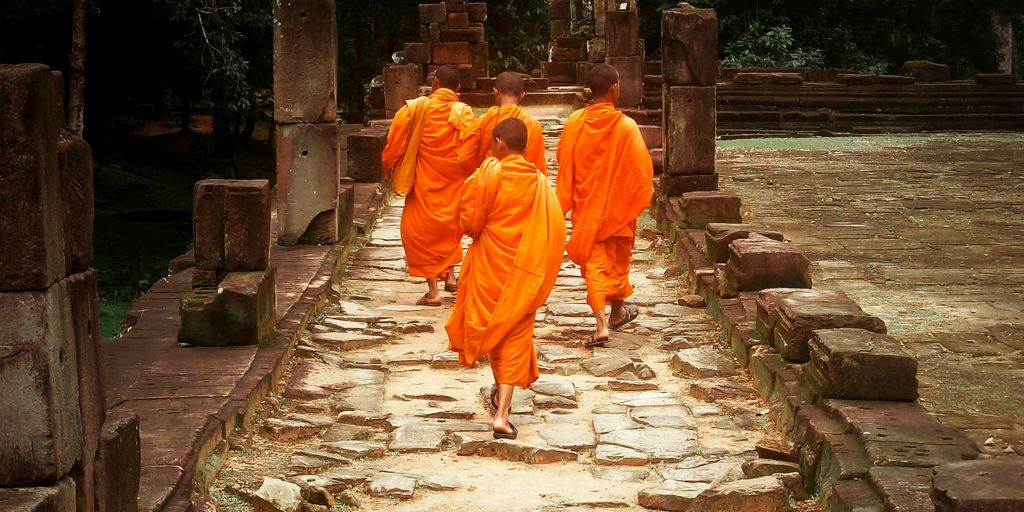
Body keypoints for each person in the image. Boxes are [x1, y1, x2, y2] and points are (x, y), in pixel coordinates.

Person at [446, 118, 566, 439]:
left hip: (489, 267)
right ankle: (502, 413)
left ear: (498, 144)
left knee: (496, 330)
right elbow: (555, 229)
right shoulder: (540, 184)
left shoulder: (485, 176)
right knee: (515, 333)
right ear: (525, 146)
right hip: (525, 272)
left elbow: (468, 222)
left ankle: (501, 402)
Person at [556, 63, 654, 347]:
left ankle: (610, 318)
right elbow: (641, 171)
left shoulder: (575, 122)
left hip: (588, 209)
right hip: (617, 210)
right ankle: (611, 316)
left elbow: (564, 162)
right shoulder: (626, 126)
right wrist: (630, 198)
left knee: (596, 265)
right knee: (618, 261)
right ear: (615, 88)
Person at [382, 65, 476, 306]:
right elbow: (471, 151)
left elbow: (394, 144)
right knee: (450, 229)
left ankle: (433, 292)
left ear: (434, 82)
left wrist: (389, 167)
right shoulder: (464, 113)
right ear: (458, 88)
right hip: (454, 183)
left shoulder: (414, 109)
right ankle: (452, 276)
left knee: (419, 234)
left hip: (424, 185)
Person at [458, 71, 547, 174]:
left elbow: (465, 159)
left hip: (490, 184)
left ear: (495, 92)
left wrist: (481, 175)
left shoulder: (483, 121)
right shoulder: (532, 125)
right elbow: (537, 167)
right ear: (522, 95)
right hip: (522, 185)